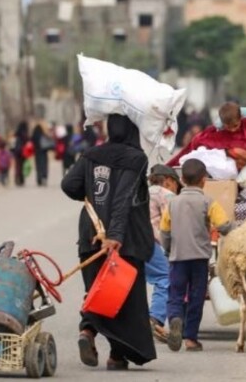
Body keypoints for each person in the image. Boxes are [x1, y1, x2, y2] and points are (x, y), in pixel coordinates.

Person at [61, 114, 156, 371]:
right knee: (121, 297)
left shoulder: (92, 154)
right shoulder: (136, 158)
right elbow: (123, 198)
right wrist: (114, 236)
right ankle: (116, 356)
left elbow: (69, 184)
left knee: (97, 292)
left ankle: (88, 333)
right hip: (121, 240)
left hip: (91, 234)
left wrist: (91, 191)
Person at [160, 159, 233, 352]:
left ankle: (175, 317)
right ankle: (190, 338)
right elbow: (224, 226)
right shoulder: (208, 201)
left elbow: (164, 231)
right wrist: (238, 230)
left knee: (175, 294)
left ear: (182, 179)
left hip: (178, 258)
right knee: (196, 297)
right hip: (200, 258)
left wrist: (168, 250)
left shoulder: (173, 203)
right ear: (203, 181)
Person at [146, 164, 181, 343]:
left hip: (126, 241)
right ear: (168, 181)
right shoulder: (166, 195)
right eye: (176, 185)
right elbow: (170, 226)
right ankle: (155, 319)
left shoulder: (142, 191)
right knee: (164, 277)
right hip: (149, 242)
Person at [32, 122, 51, 187]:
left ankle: (39, 179)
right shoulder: (43, 135)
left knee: (38, 166)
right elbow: (49, 142)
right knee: (44, 165)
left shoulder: (34, 135)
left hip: (37, 153)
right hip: (43, 152)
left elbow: (32, 143)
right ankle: (44, 177)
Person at [13, 121, 30, 187]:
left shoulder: (16, 134)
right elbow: (28, 143)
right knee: (22, 166)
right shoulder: (25, 135)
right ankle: (22, 180)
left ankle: (17, 179)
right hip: (23, 152)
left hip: (16, 152)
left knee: (17, 166)